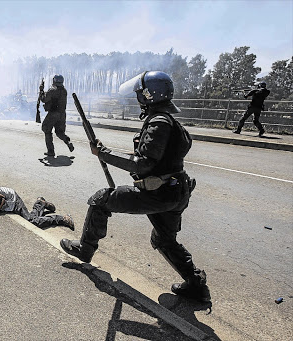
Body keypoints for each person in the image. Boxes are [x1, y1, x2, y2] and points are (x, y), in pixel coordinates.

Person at [60, 71, 211, 303]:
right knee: (164, 239)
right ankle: (196, 285)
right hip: (176, 191)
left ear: (150, 95)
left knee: (101, 200)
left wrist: (103, 153)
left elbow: (143, 164)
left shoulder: (159, 122)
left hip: (158, 193)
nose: (138, 96)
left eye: (141, 93)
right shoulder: (169, 121)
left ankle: (84, 250)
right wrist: (106, 150)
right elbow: (151, 156)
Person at [0, 185, 74, 230]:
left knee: (33, 221)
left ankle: (62, 219)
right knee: (32, 218)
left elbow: (1, 199)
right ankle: (40, 204)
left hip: (11, 198)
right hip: (2, 206)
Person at [39, 74, 74, 157]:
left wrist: (41, 91)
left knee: (46, 129)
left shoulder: (52, 90)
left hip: (53, 114)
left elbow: (44, 99)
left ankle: (50, 151)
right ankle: (67, 141)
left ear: (54, 81)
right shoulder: (64, 90)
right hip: (62, 114)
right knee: (59, 132)